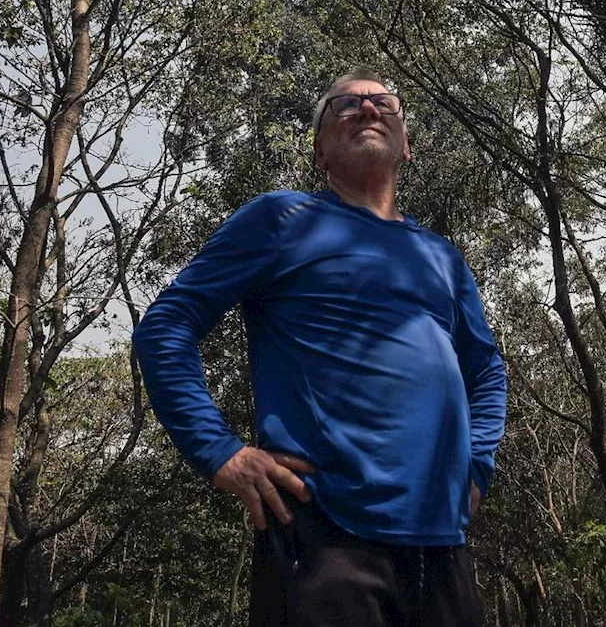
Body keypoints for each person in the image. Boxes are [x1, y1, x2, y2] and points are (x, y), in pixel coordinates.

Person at [133, 69, 508, 627]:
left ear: (406, 146)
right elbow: (167, 325)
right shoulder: (281, 219)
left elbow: (486, 372)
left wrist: (476, 469)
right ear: (319, 151)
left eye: (383, 101)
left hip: (441, 542)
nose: (367, 108)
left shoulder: (442, 258)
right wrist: (219, 452)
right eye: (345, 105)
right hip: (325, 538)